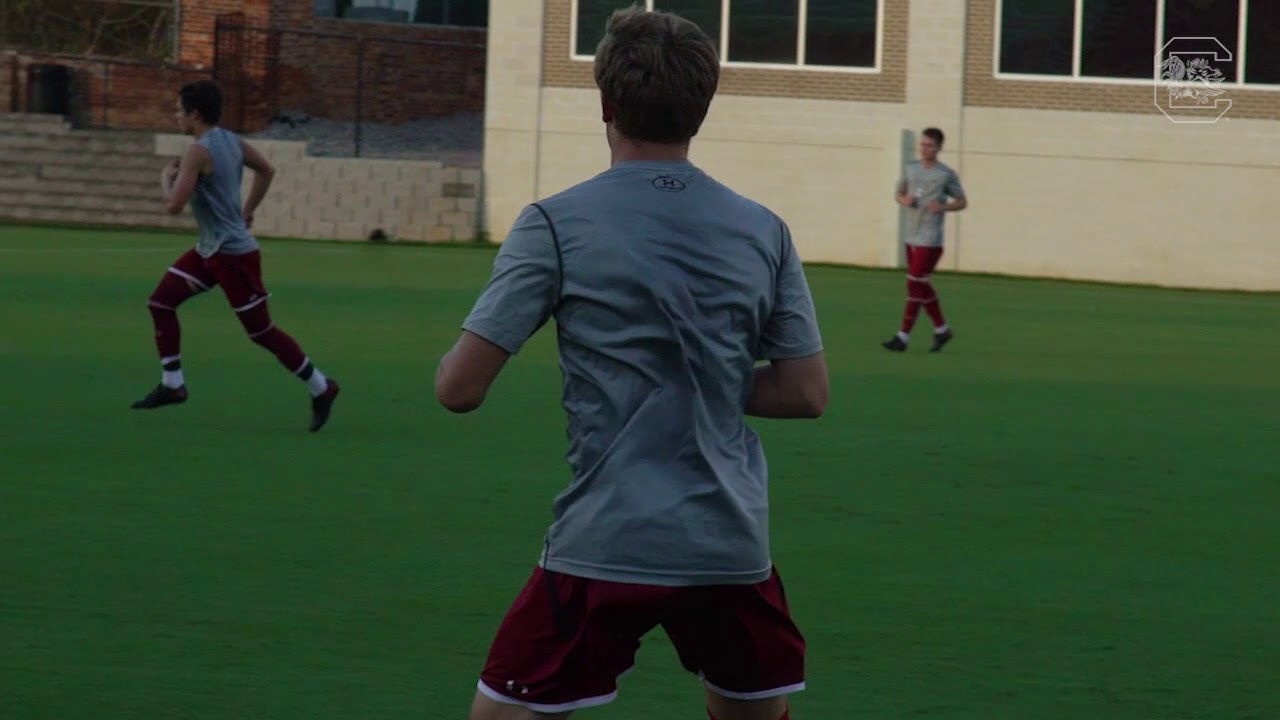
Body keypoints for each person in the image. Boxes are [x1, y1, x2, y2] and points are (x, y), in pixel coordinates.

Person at [435, 7, 828, 720]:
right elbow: (805, 392)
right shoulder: (763, 228)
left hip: (607, 540)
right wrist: (703, 375)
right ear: (702, 108)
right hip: (728, 544)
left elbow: (458, 389)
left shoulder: (554, 223)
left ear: (606, 103)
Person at [131, 79, 340, 432]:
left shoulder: (196, 152)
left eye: (179, 110)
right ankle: (172, 384)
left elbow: (173, 205)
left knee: (261, 333)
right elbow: (267, 169)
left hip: (233, 257)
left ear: (194, 114)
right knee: (161, 303)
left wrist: (165, 177)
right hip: (210, 250)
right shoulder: (230, 139)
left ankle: (322, 386)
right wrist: (247, 211)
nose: (176, 116)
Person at [882, 126, 968, 353]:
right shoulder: (911, 168)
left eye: (929, 145)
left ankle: (903, 337)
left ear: (939, 148)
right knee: (920, 285)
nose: (924, 149)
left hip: (930, 239)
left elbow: (962, 201)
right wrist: (903, 200)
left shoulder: (945, 174)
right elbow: (898, 193)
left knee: (913, 283)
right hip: (911, 234)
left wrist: (943, 207)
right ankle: (942, 330)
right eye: (922, 144)